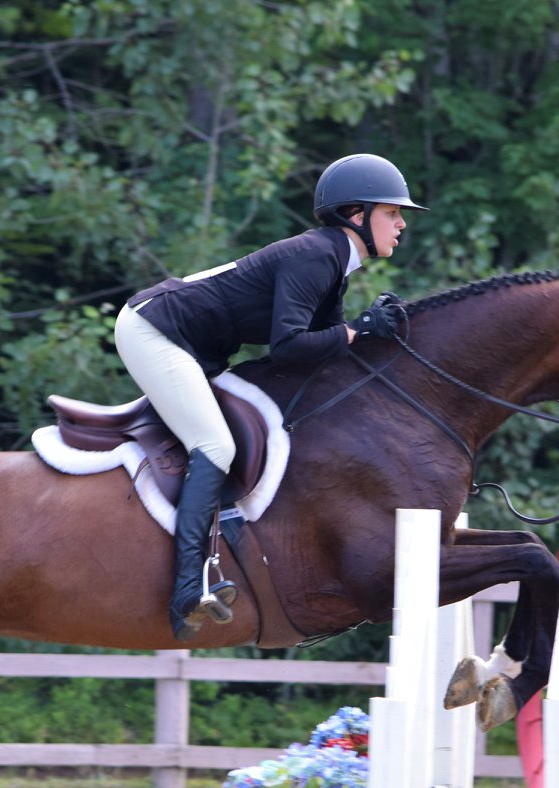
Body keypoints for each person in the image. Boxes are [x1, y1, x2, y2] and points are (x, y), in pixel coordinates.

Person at [115, 153, 427, 641]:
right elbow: (288, 346)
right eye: (392, 213)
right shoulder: (316, 255)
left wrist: (369, 334)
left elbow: (325, 348)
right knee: (215, 446)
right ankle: (187, 589)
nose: (402, 223)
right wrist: (354, 331)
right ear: (357, 216)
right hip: (156, 330)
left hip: (195, 343)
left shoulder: (333, 263)